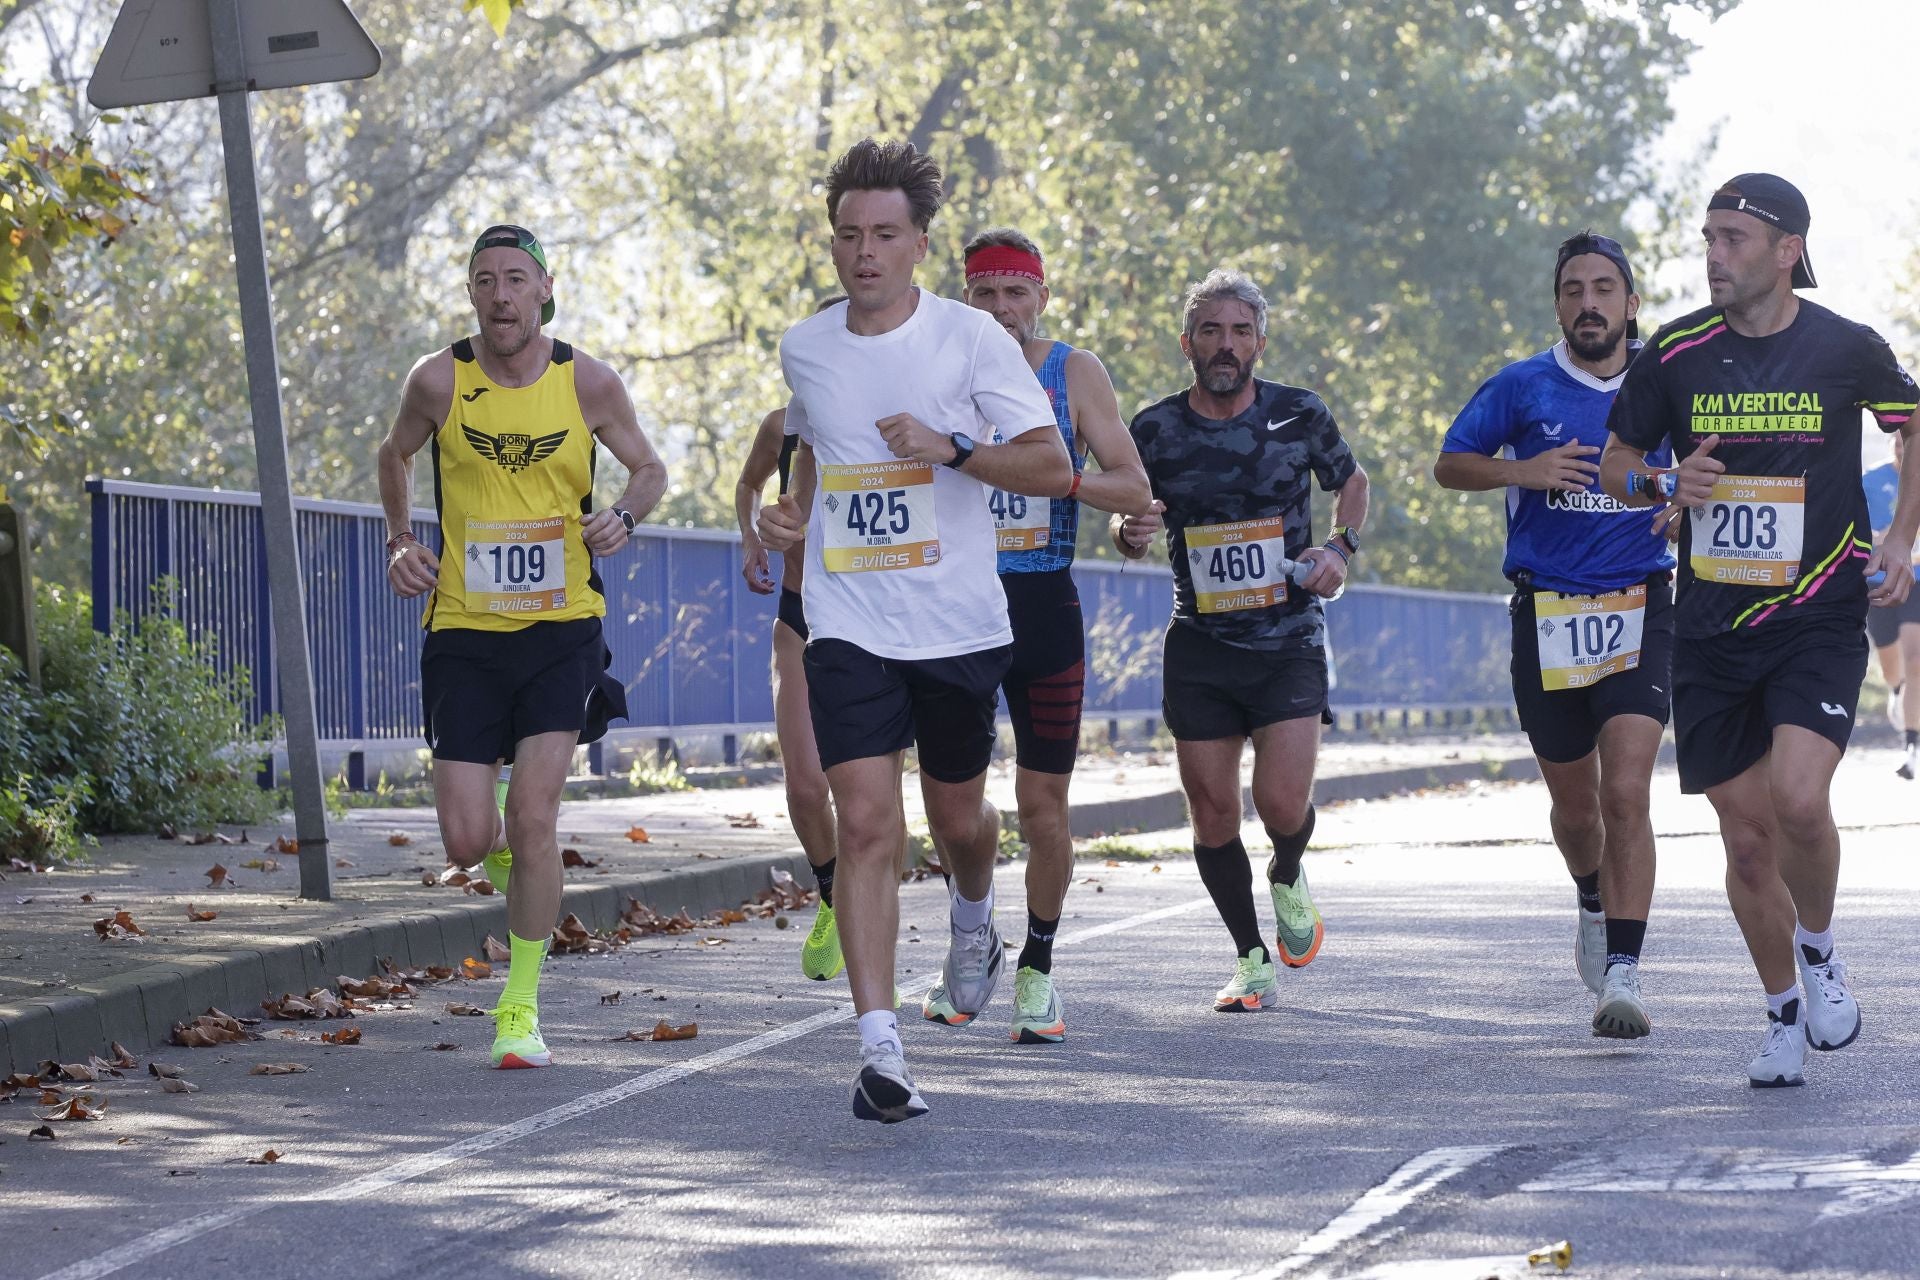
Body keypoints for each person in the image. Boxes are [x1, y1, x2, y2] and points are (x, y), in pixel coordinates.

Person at [756, 140, 1070, 1122]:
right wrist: (788, 516)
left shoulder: (971, 340)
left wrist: (954, 449)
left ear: (918, 244)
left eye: (884, 234)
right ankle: (880, 1047)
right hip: (848, 620)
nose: (864, 252)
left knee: (959, 820)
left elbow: (1053, 466)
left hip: (958, 623)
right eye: (848, 235)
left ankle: (974, 918)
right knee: (868, 823)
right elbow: (824, 458)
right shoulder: (805, 345)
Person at [1599, 174, 1920, 1088]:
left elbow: (1913, 423)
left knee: (1800, 801)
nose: (1714, 255)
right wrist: (1663, 486)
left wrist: (1901, 536)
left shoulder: (1845, 348)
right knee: (1745, 843)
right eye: (1708, 237)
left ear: (1787, 252)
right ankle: (1782, 1012)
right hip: (1706, 628)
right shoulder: (1674, 354)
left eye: (1734, 238)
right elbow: (1621, 462)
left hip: (1816, 612)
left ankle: (1818, 946)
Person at [378, 224, 666, 1070]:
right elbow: (393, 455)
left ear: (544, 289)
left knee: (532, 815)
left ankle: (520, 1006)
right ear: (471, 294)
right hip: (463, 631)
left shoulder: (589, 382)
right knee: (470, 842)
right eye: (483, 281)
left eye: (515, 279)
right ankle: (513, 859)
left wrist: (623, 515)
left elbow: (648, 469)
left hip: (562, 628)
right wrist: (400, 541)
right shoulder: (438, 380)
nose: (500, 296)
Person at [1434, 232, 1672, 1039]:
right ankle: (1590, 898)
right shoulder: (1522, 384)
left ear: (1631, 304)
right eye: (1573, 289)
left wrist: (1682, 500)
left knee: (1627, 790)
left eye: (1604, 288)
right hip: (1550, 614)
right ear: (1559, 304)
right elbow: (1450, 462)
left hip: (1644, 600)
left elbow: (1714, 463)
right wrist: (1521, 472)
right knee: (1577, 809)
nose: (1589, 303)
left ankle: (1627, 975)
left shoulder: (1668, 379)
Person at [917, 227, 1151, 1043]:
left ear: (1042, 298)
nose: (1002, 308)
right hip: (951, 609)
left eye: (1017, 292)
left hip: (1043, 608)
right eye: (985, 293)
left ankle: (1040, 968)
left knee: (1043, 806)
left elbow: (1133, 484)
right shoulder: (937, 364)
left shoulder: (1072, 372)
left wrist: (1064, 479)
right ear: (964, 298)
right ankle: (972, 931)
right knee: (952, 813)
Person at [1113, 269, 1368, 1012]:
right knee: (1214, 812)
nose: (1226, 346)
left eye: (1240, 332)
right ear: (1187, 341)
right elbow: (1130, 518)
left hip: (1287, 637)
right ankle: (1250, 957)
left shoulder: (1299, 413)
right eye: (1212, 332)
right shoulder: (1153, 429)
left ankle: (1288, 869)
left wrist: (1339, 550)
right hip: (1200, 644)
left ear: (1260, 340)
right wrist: (1129, 532)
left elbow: (1353, 483)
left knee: (1282, 803)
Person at [1864, 434, 1920, 778]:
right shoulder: (1871, 480)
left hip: (1917, 580)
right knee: (1892, 669)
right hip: (1880, 580)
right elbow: (1866, 537)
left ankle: (1911, 745)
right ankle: (1899, 692)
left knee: (1916, 657)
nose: (1903, 447)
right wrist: (1895, 534)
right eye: (1898, 442)